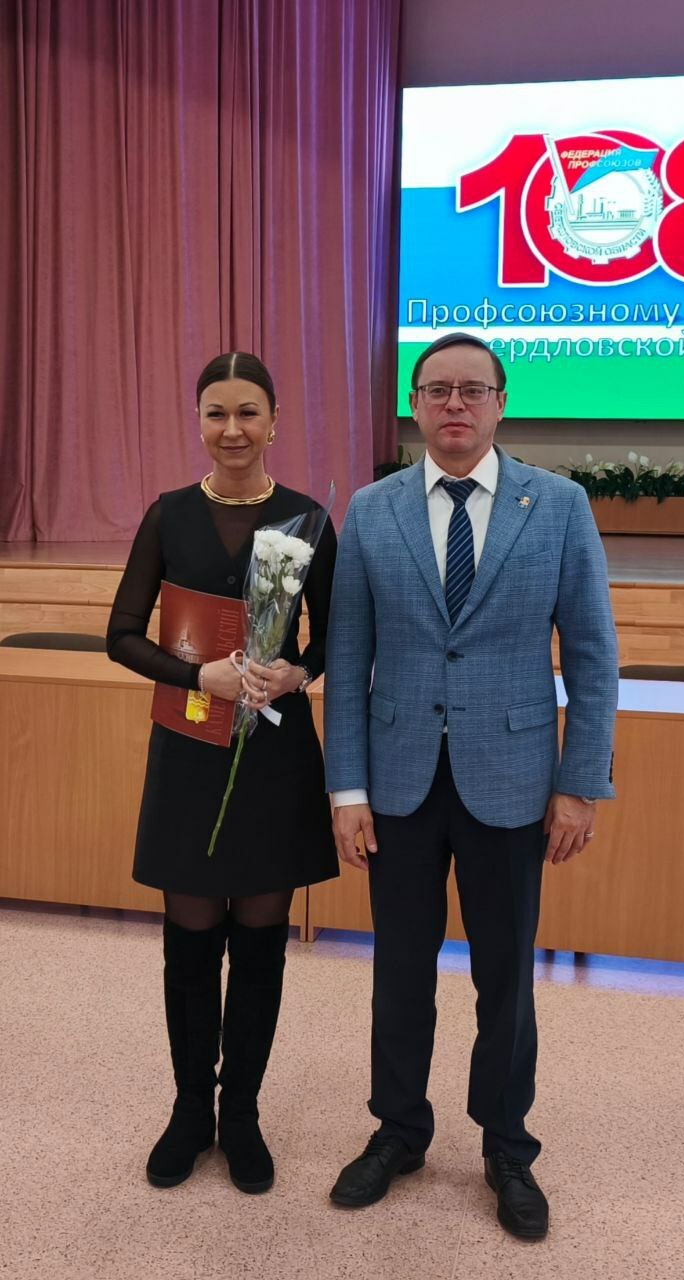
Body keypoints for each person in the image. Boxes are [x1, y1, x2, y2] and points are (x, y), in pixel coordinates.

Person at [323, 332, 618, 1240]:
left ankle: (506, 1147)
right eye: (437, 389)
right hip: (399, 783)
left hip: (513, 781)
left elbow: (593, 656)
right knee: (399, 973)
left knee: (505, 979)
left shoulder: (558, 505)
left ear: (499, 403)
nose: (454, 404)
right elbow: (347, 655)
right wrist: (346, 790)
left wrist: (580, 782)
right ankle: (398, 1131)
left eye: (472, 390)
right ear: (414, 403)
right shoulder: (372, 510)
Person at [106, 351, 338, 1194]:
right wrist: (194, 674)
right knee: (191, 936)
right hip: (190, 745)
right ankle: (188, 1112)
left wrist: (297, 673)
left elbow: (333, 638)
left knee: (262, 939)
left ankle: (240, 1115)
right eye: (216, 413)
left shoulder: (309, 520)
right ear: (199, 421)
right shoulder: (168, 515)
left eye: (248, 412)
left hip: (273, 756)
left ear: (274, 421)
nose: (232, 429)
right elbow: (120, 634)